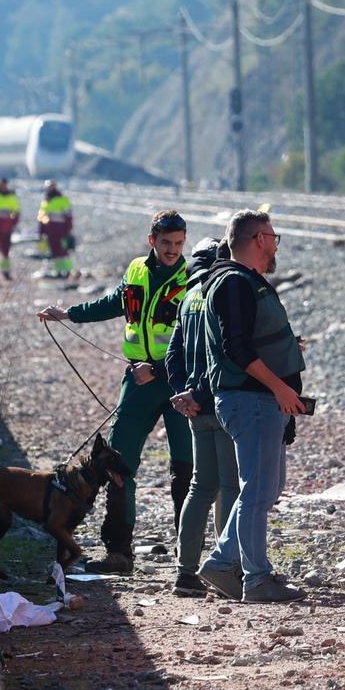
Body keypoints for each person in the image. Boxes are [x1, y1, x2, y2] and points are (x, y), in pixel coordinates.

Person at [37, 210, 194, 574]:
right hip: (138, 382)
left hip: (179, 383)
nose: (173, 250)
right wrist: (68, 314)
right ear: (152, 240)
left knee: (186, 469)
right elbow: (111, 303)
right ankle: (119, 553)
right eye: (166, 243)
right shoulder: (136, 270)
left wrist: (157, 370)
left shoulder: (192, 278)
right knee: (117, 464)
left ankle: (187, 555)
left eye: (178, 244)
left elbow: (200, 340)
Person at [198, 210, 307, 603]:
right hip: (253, 400)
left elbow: (248, 339)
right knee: (257, 491)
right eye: (273, 237)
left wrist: (287, 350)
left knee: (266, 488)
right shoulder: (234, 282)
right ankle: (257, 579)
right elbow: (237, 348)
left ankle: (221, 562)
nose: (275, 245)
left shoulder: (243, 281)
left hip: (258, 400)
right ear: (259, 239)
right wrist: (279, 387)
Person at [165, 238, 240, 597]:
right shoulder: (217, 292)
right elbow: (221, 354)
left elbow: (172, 356)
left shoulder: (188, 298)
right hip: (219, 403)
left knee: (200, 487)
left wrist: (184, 395)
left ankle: (185, 573)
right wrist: (199, 395)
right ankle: (226, 570)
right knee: (230, 487)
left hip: (195, 409)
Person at [38, 179, 73, 278]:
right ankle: (59, 271)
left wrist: (68, 229)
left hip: (61, 229)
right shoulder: (45, 201)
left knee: (63, 250)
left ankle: (68, 271)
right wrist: (42, 230)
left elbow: (68, 216)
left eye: (51, 186)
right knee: (55, 251)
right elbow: (42, 216)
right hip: (50, 229)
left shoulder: (62, 199)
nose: (49, 189)